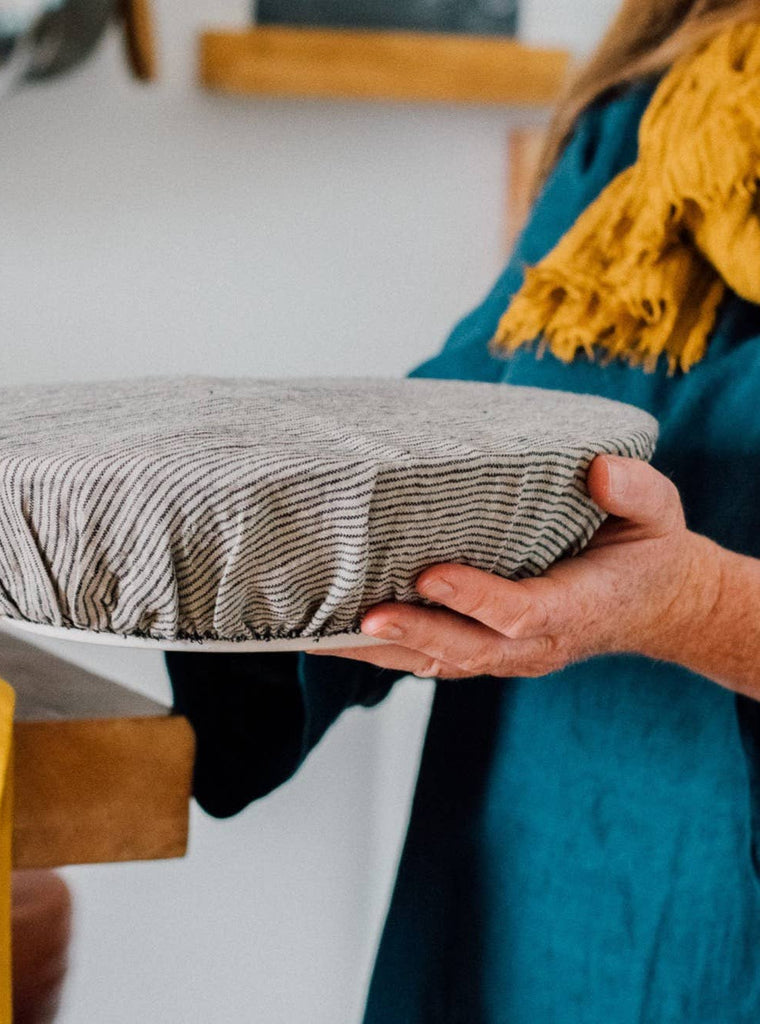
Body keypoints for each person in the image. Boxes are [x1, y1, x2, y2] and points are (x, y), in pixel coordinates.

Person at [166, 2, 760, 1020]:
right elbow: (472, 416)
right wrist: (215, 547)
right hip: (535, 868)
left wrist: (691, 603)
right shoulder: (649, 103)